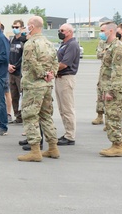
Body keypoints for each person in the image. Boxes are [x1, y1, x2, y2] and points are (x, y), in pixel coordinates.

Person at [17, 16, 59, 161]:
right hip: (46, 85)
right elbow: (55, 61)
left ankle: (35, 150)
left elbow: (32, 63)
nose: (25, 28)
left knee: (30, 116)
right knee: (46, 116)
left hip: (34, 86)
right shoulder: (49, 43)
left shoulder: (30, 43)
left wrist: (43, 74)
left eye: (27, 25)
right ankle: (53, 147)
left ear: (32, 26)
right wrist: (50, 74)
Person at [97, 21, 122, 157]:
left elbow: (118, 70)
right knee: (112, 116)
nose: (101, 33)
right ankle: (120, 145)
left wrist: (112, 91)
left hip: (115, 89)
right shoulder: (109, 46)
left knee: (113, 117)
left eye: (103, 30)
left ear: (111, 31)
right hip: (109, 86)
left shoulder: (117, 47)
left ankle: (116, 146)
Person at [54, 23, 81, 146]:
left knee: (68, 109)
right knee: (62, 109)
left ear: (70, 32)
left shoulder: (72, 45)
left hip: (66, 78)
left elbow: (64, 64)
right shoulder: (64, 44)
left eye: (62, 30)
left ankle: (70, 136)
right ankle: (67, 133)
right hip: (59, 78)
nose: (60, 32)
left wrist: (50, 69)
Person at [8, 20, 27, 123]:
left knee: (22, 95)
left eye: (17, 27)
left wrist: (15, 66)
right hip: (11, 73)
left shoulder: (24, 41)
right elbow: (8, 54)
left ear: (22, 28)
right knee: (14, 95)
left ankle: (24, 116)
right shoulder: (11, 40)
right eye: (13, 26)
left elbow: (24, 56)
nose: (15, 28)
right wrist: (9, 66)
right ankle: (17, 116)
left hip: (20, 72)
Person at [92, 33, 108, 125]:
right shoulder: (102, 42)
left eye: (103, 31)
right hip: (103, 72)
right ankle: (99, 115)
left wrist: (104, 52)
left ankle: (110, 119)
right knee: (100, 94)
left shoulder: (117, 43)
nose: (101, 33)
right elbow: (98, 55)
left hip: (113, 73)